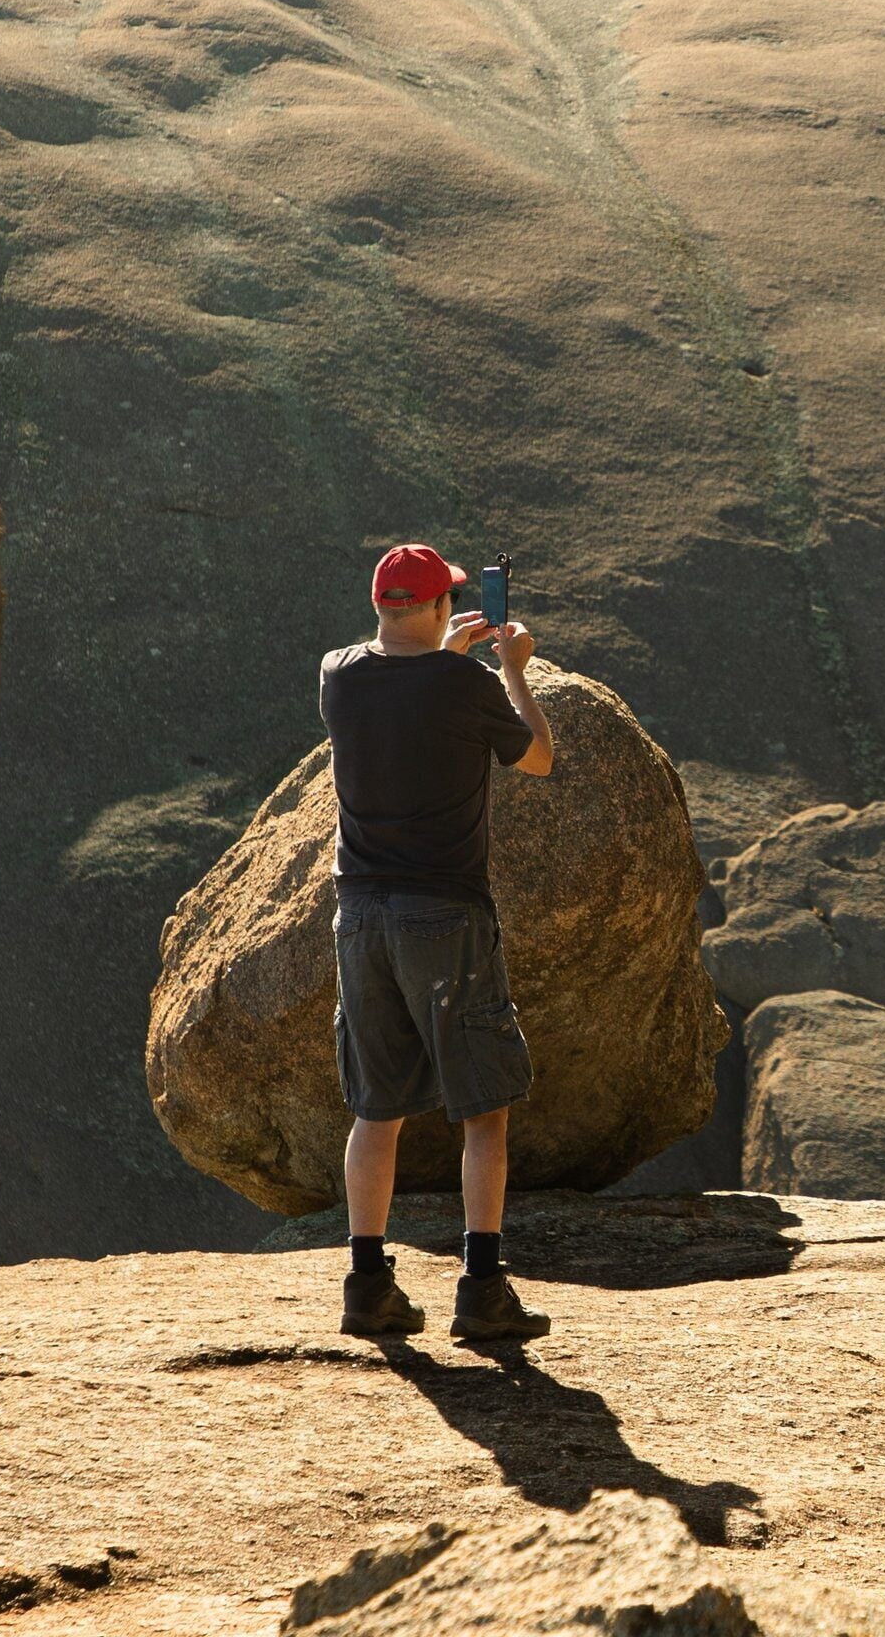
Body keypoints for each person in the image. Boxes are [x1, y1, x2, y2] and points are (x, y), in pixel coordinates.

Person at [322, 542, 555, 1343]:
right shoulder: (467, 685)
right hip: (445, 914)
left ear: (380, 603)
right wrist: (512, 670)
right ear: (437, 606)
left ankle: (367, 1287)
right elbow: (537, 757)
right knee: (484, 1108)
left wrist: (449, 658)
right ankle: (482, 1290)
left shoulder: (338, 675)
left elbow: (403, 692)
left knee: (376, 1108)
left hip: (360, 914)